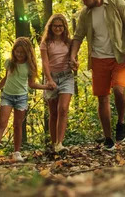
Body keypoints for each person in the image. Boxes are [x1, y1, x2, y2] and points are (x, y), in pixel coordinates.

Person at [69, 0, 125, 150]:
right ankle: (108, 138)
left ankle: (121, 122)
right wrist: (72, 56)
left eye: (86, 0)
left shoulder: (116, 3)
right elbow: (78, 36)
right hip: (98, 59)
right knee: (102, 98)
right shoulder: (85, 14)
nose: (84, 3)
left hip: (119, 55)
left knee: (119, 91)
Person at [0, 37, 49, 162]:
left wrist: (45, 86)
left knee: (17, 125)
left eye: (22, 52)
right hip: (7, 96)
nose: (19, 54)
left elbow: (32, 84)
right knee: (2, 122)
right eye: (17, 52)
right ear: (13, 51)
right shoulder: (10, 62)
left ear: (27, 52)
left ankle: (16, 152)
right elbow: (6, 77)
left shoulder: (29, 66)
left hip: (21, 97)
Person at [40, 14, 75, 153]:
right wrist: (49, 80)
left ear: (64, 27)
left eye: (60, 26)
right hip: (51, 78)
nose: (58, 28)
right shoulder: (45, 43)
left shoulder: (69, 42)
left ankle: (60, 143)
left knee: (63, 108)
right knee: (53, 112)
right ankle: (54, 144)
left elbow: (73, 59)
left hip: (66, 77)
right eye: (55, 26)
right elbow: (45, 62)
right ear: (50, 27)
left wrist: (75, 64)